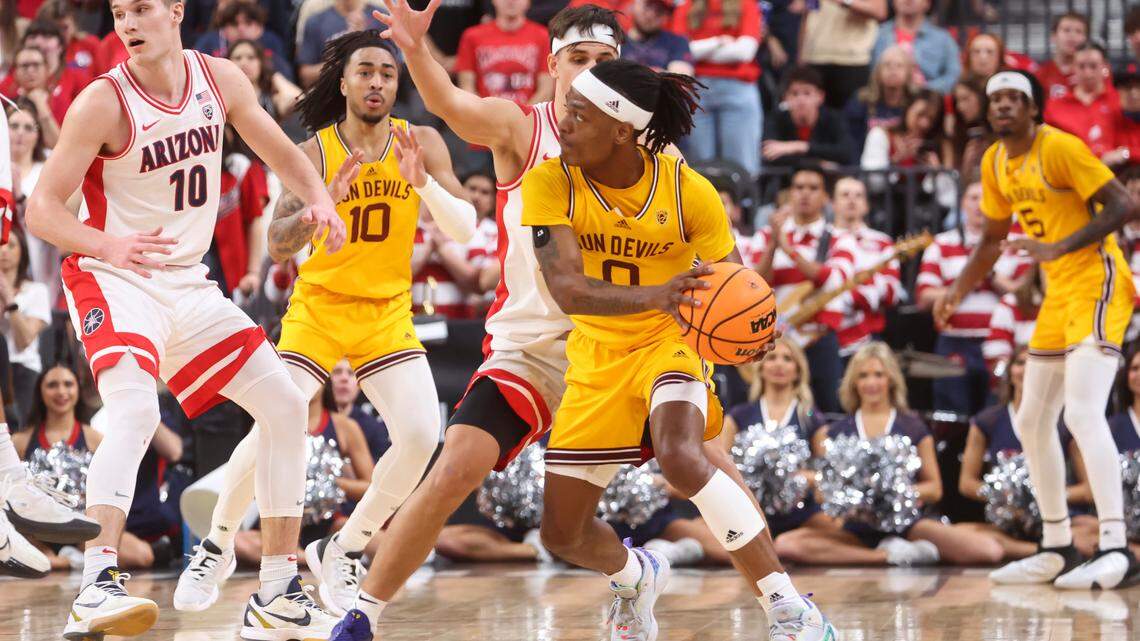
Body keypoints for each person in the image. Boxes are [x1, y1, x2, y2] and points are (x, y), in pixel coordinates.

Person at [26, 0, 350, 636]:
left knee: (285, 405)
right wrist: (107, 245)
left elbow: (277, 150)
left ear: (175, 11)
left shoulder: (221, 79)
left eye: (141, 8)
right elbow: (41, 210)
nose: (127, 23)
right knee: (138, 410)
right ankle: (95, 582)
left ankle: (279, 589)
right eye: (118, 12)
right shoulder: (103, 101)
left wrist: (319, 199)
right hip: (113, 276)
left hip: (188, 283)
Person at [324, 5, 628, 637]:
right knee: (450, 471)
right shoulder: (521, 125)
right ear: (553, 67)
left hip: (616, 342)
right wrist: (412, 49)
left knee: (693, 461)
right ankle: (362, 618)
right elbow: (448, 102)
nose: (593, 72)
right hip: (529, 348)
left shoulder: (647, 143)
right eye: (579, 59)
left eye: (606, 61)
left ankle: (777, 601)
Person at [518, 58, 834, 641]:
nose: (562, 123)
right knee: (561, 536)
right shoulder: (548, 181)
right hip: (596, 357)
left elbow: (732, 282)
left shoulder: (689, 191)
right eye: (565, 109)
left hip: (671, 343)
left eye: (578, 115)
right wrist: (658, 292)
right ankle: (635, 576)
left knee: (683, 456)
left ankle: (790, 609)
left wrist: (751, 327)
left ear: (621, 131)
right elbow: (568, 290)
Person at [173, 29, 474, 617]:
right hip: (320, 308)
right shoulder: (313, 152)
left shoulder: (422, 142)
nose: (377, 82)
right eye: (365, 71)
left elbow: (465, 228)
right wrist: (318, 209)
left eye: (387, 73)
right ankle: (217, 543)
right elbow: (279, 245)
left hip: (387, 312)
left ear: (397, 83)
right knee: (270, 428)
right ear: (343, 81)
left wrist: (426, 185)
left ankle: (343, 548)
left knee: (420, 436)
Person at [936, 70, 1140, 589]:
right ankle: (1057, 545)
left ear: (1034, 109)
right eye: (995, 99)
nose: (1003, 106)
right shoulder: (994, 161)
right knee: (1031, 419)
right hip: (1058, 293)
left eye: (1014, 98)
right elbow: (990, 241)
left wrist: (1053, 250)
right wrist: (956, 291)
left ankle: (1117, 546)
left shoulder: (1061, 148)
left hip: (1099, 282)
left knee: (1083, 411)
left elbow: (1124, 204)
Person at [792, 342, 1005, 567]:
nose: (871, 383)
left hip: (907, 526)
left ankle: (895, 549)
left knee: (989, 551)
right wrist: (855, 498)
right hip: (855, 527)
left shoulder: (912, 426)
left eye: (878, 375)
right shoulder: (837, 431)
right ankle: (887, 556)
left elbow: (934, 489)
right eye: (863, 376)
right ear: (854, 382)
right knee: (788, 545)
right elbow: (822, 494)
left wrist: (892, 495)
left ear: (891, 379)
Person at [16, 364, 186, 571]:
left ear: (78, 390)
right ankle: (61, 559)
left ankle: (66, 560)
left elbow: (113, 488)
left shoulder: (96, 437)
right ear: (40, 392)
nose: (61, 391)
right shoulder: (20, 441)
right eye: (53, 385)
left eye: (68, 384)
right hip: (36, 531)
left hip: (81, 530)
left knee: (142, 556)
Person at [959, 346, 1099, 564]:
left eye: (1034, 364)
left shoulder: (1067, 421)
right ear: (1010, 371)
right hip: (1007, 523)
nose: (1027, 370)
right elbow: (966, 483)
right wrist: (1006, 496)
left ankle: (1049, 548)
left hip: (1060, 518)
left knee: (1096, 529)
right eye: (1020, 363)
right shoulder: (987, 420)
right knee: (958, 534)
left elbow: (1088, 490)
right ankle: (1046, 550)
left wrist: (1043, 496)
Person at [748, 164, 857, 413]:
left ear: (825, 198)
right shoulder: (766, 236)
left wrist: (788, 249)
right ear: (789, 194)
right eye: (798, 188)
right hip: (779, 339)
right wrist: (774, 244)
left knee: (829, 409)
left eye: (813, 188)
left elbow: (832, 281)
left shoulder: (839, 237)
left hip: (819, 339)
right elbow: (753, 283)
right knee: (768, 408)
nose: (805, 194)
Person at [232, 384, 376, 565]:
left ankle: (308, 555)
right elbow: (250, 478)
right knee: (236, 542)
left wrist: (326, 483)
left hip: (329, 524)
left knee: (377, 540)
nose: (307, 381)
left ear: (325, 379)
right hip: (278, 523)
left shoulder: (345, 426)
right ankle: (310, 558)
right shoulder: (268, 423)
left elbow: (371, 487)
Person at [722, 337, 842, 545]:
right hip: (749, 511)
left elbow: (830, 475)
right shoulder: (738, 416)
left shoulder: (812, 418)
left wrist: (805, 477)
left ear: (798, 370)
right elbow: (719, 467)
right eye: (772, 358)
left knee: (842, 529)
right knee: (704, 530)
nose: (779, 364)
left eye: (787, 359)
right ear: (760, 367)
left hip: (801, 514)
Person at [917, 179, 1003, 415]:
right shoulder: (942, 244)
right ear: (962, 203)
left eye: (985, 198)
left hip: (999, 342)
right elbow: (924, 296)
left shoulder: (1010, 245)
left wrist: (992, 277)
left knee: (996, 413)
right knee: (951, 417)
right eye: (973, 198)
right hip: (955, 341)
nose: (979, 205)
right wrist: (966, 283)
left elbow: (1024, 293)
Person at [671, 0, 763, 176]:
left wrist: (700, 51)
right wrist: (719, 42)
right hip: (696, 91)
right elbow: (680, 49)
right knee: (700, 169)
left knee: (742, 167)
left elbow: (744, 52)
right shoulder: (686, 7)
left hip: (738, 88)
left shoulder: (747, 4)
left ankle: (743, 203)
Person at [831, 176, 903, 359]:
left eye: (858, 195)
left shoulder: (883, 242)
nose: (852, 200)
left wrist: (844, 293)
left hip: (868, 338)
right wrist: (869, 284)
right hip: (828, 336)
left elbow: (891, 292)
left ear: (866, 205)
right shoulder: (822, 239)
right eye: (845, 194)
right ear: (833, 204)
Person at [8, 99, 59, 300]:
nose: (21, 132)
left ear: (38, 134)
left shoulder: (47, 167)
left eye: (28, 127)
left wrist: (20, 196)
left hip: (39, 266)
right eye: (14, 126)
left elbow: (52, 222)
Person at [455, 0, 552, 105]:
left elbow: (546, 90)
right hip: (484, 116)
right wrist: (485, 116)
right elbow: (467, 87)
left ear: (528, 2)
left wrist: (522, 117)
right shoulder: (471, 36)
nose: (511, 1)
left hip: (529, 117)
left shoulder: (543, 36)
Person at [0, 226, 50, 419]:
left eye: (11, 245)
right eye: (0, 244)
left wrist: (10, 301)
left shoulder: (36, 291)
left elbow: (25, 340)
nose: (4, 250)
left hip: (22, 370)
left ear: (23, 252)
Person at [799, 0, 886, 110]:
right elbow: (808, 14)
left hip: (852, 61)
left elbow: (880, 11)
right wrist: (801, 56)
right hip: (815, 58)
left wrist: (846, 2)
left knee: (850, 118)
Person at [762, 65, 855, 167]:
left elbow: (847, 152)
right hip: (787, 180)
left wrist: (800, 147)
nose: (801, 100)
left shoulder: (834, 118)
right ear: (785, 98)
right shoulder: (775, 119)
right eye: (795, 93)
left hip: (828, 179)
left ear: (820, 96)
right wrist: (817, 163)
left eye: (807, 93)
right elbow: (768, 154)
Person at [1044, 43, 1121, 160]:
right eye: (1081, 66)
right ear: (1073, 67)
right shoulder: (1054, 106)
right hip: (1071, 172)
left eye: (1093, 66)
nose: (1087, 73)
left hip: (1118, 171)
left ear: (1105, 66)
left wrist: (1124, 153)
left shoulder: (1120, 101)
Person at [869, 0, 960, 95]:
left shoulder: (943, 39)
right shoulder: (877, 34)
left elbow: (953, 75)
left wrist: (926, 89)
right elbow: (870, 74)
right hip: (885, 101)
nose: (908, 0)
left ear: (927, 3)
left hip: (928, 102)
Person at [844, 45, 918, 157]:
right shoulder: (862, 100)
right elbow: (851, 142)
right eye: (887, 65)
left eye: (899, 66)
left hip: (906, 166)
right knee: (877, 135)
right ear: (878, 72)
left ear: (908, 73)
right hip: (868, 165)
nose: (893, 70)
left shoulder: (916, 102)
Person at [191, 0, 293, 81]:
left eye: (248, 23)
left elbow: (286, 77)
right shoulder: (208, 42)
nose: (241, 29)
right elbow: (195, 75)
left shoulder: (271, 41)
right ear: (224, 28)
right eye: (234, 24)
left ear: (260, 27)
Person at [297, 0, 386, 88]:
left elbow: (395, 69)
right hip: (329, 94)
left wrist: (363, 42)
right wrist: (343, 58)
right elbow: (305, 77)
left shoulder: (381, 17)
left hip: (373, 91)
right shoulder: (315, 22)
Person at [226, 38, 300, 124]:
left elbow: (297, 99)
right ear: (228, 63)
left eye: (251, 57)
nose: (244, 63)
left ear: (260, 63)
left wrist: (273, 75)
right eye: (238, 58)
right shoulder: (222, 100)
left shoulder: (272, 100)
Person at [35, 0, 100, 87]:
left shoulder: (90, 44)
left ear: (74, 24)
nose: (60, 34)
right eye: (54, 29)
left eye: (65, 28)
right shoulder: (34, 51)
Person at [5, 46, 60, 147]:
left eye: (36, 65)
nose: (30, 70)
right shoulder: (8, 103)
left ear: (47, 69)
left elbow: (58, 146)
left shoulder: (61, 100)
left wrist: (41, 106)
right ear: (15, 72)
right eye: (24, 66)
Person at [621, 0, 692, 76]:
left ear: (666, 16)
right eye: (647, 6)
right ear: (635, 4)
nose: (650, 15)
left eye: (659, 11)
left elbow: (682, 79)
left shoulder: (678, 42)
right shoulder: (616, 40)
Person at [1036, 12, 1088, 102]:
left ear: (1085, 38)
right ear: (1053, 36)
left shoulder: (1095, 72)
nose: (1072, 36)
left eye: (1078, 31)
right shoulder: (1041, 75)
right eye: (1066, 30)